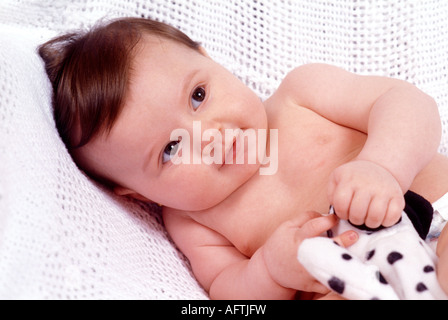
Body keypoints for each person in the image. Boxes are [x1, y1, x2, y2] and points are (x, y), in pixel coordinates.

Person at [38, 17, 448, 299]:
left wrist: (382, 166)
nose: (209, 136)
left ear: (208, 58)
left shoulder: (301, 97)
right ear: (133, 193)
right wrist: (270, 271)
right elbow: (228, 291)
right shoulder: (191, 221)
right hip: (355, 283)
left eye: (199, 96)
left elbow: (410, 105)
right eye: (170, 149)